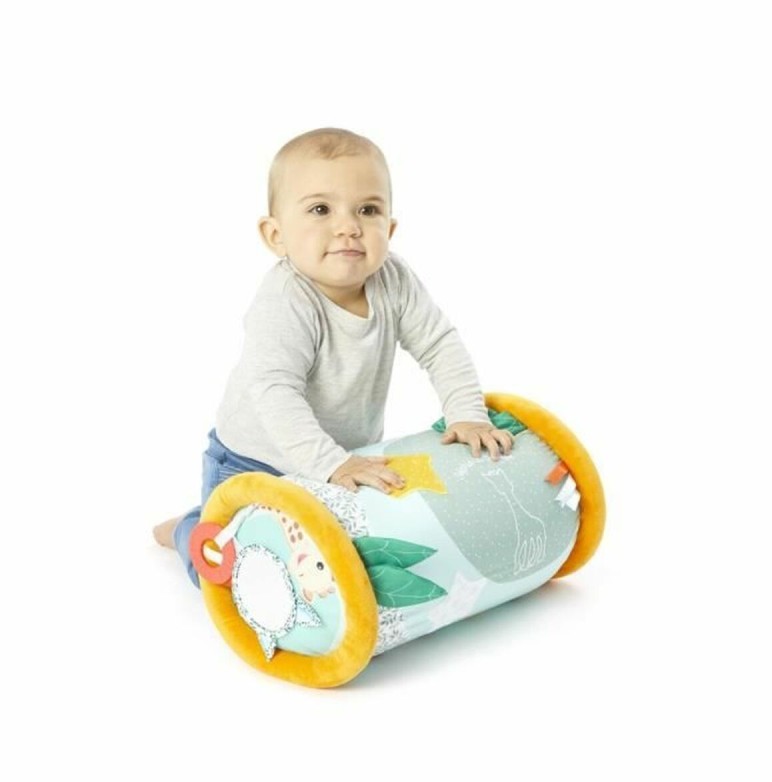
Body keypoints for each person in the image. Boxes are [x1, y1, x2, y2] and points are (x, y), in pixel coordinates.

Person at [153, 127, 515, 585]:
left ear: (390, 229)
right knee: (235, 571)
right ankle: (189, 528)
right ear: (276, 235)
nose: (348, 226)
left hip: (344, 457)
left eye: (368, 210)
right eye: (321, 210)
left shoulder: (393, 279)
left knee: (336, 566)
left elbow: (439, 343)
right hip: (254, 461)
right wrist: (331, 464)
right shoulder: (286, 299)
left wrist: (466, 413)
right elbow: (274, 391)